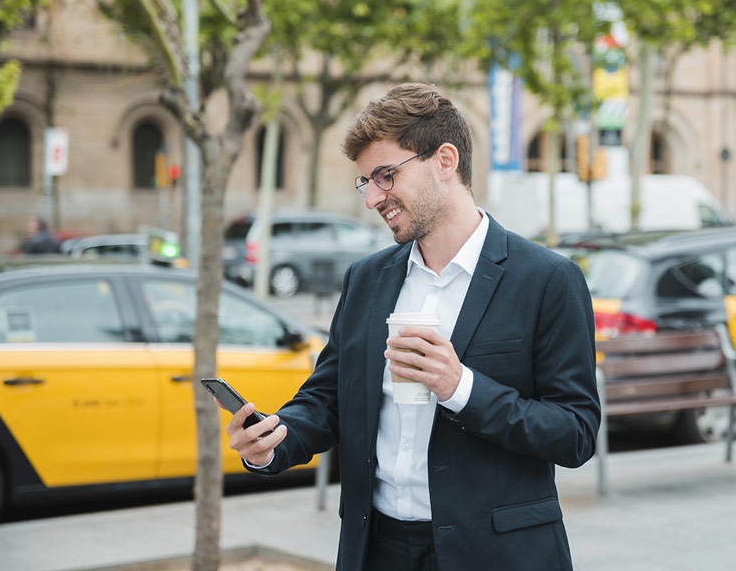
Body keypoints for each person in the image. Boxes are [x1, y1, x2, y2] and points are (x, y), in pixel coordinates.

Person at [225, 83, 600, 570]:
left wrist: (459, 386)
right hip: (377, 549)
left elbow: (575, 433)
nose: (373, 199)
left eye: (385, 176)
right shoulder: (366, 279)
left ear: (445, 161)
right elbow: (326, 398)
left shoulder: (548, 279)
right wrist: (271, 442)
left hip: (496, 554)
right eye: (366, 182)